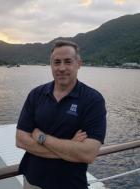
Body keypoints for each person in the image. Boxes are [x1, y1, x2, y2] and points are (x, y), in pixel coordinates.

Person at [15, 40, 107, 189]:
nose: (62, 68)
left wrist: (40, 137)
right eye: (57, 62)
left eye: (68, 62)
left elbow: (88, 153)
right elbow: (20, 140)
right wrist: (71, 149)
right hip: (32, 182)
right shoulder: (36, 94)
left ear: (79, 64)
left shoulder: (93, 100)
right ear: (51, 65)